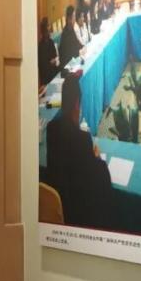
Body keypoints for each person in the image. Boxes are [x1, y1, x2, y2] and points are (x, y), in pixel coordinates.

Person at [45, 75, 114, 228]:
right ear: (77, 103)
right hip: (77, 212)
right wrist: (97, 158)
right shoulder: (82, 139)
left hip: (57, 206)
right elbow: (95, 176)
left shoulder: (51, 128)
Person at [37, 17, 59, 86]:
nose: (50, 28)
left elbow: (56, 57)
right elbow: (43, 66)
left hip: (54, 74)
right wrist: (51, 62)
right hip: (46, 79)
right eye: (48, 25)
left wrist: (55, 60)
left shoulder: (51, 42)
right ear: (44, 29)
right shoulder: (40, 46)